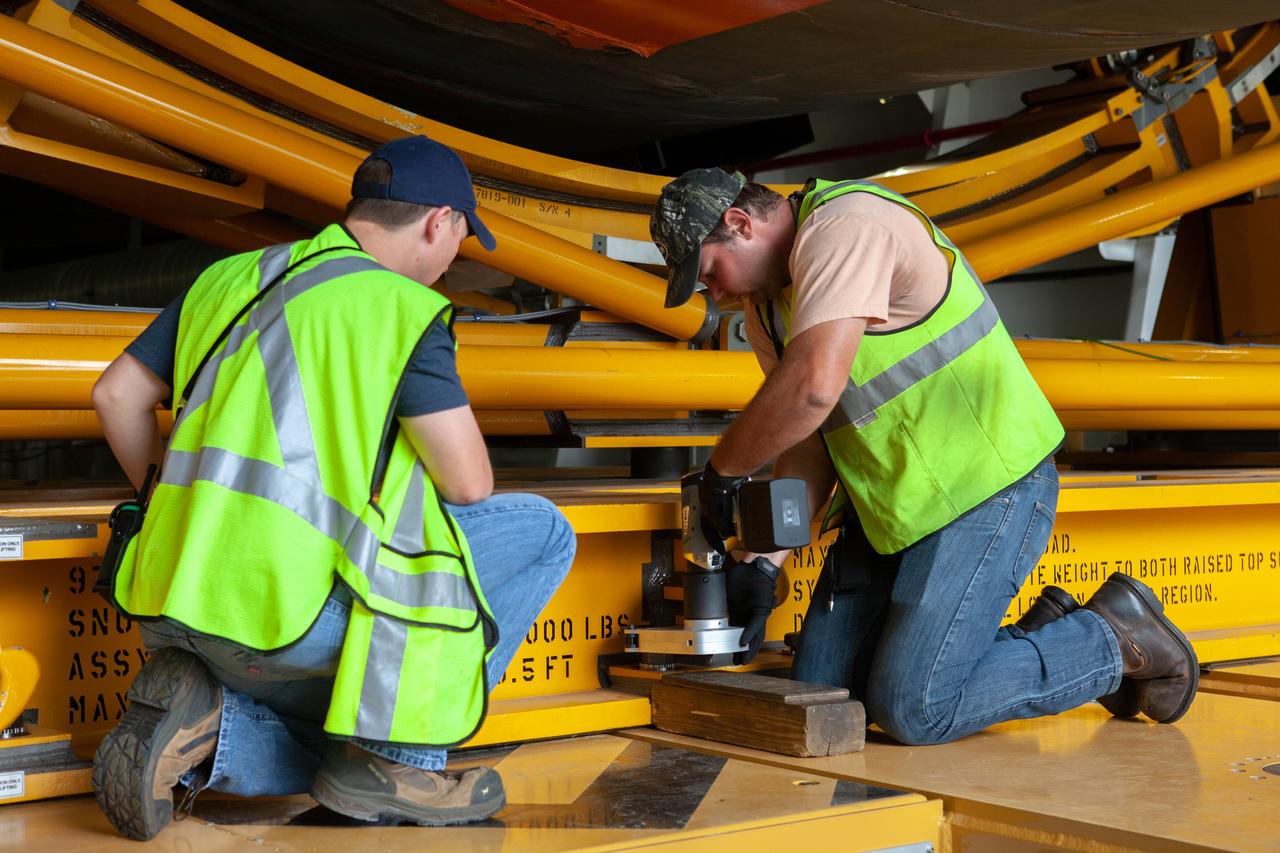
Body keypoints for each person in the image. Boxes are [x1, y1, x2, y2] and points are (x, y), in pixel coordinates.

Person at [91, 135, 576, 839]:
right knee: (541, 531)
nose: (450, 263)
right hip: (287, 613)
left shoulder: (229, 279)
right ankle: (399, 758)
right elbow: (469, 482)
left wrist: (175, 499)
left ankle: (215, 727)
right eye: (461, 242)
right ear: (439, 221)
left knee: (338, 728)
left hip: (170, 599)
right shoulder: (398, 309)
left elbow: (116, 396)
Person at [650, 168, 1198, 746]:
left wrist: (721, 472)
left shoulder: (845, 225)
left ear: (739, 223)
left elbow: (812, 388)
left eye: (709, 272)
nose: (714, 294)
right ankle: (1043, 637)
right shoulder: (768, 310)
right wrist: (765, 562)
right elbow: (808, 438)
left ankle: (1115, 638)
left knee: (917, 708)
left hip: (985, 486)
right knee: (823, 695)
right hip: (895, 510)